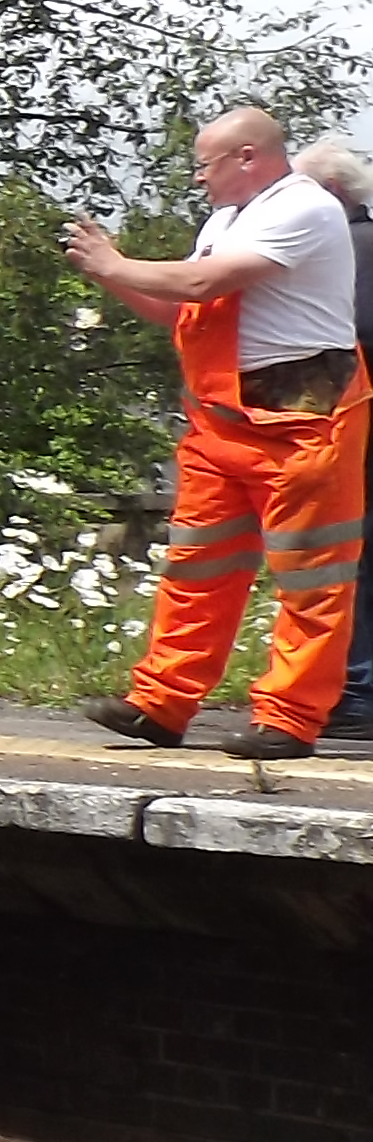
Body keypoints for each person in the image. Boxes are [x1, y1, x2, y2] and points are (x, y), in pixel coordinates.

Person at [64, 107, 368, 759]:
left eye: (206, 165)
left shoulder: (302, 206)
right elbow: (180, 306)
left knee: (311, 578)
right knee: (196, 566)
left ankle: (289, 718)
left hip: (301, 416)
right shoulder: (227, 218)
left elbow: (205, 280)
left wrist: (116, 262)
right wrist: (107, 274)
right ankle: (161, 705)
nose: (198, 178)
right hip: (222, 420)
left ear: (249, 157)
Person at [297, 135, 373, 745]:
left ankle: (358, 691)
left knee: (351, 556)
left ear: (329, 194)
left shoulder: (347, 253)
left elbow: (349, 342)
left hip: (354, 425)